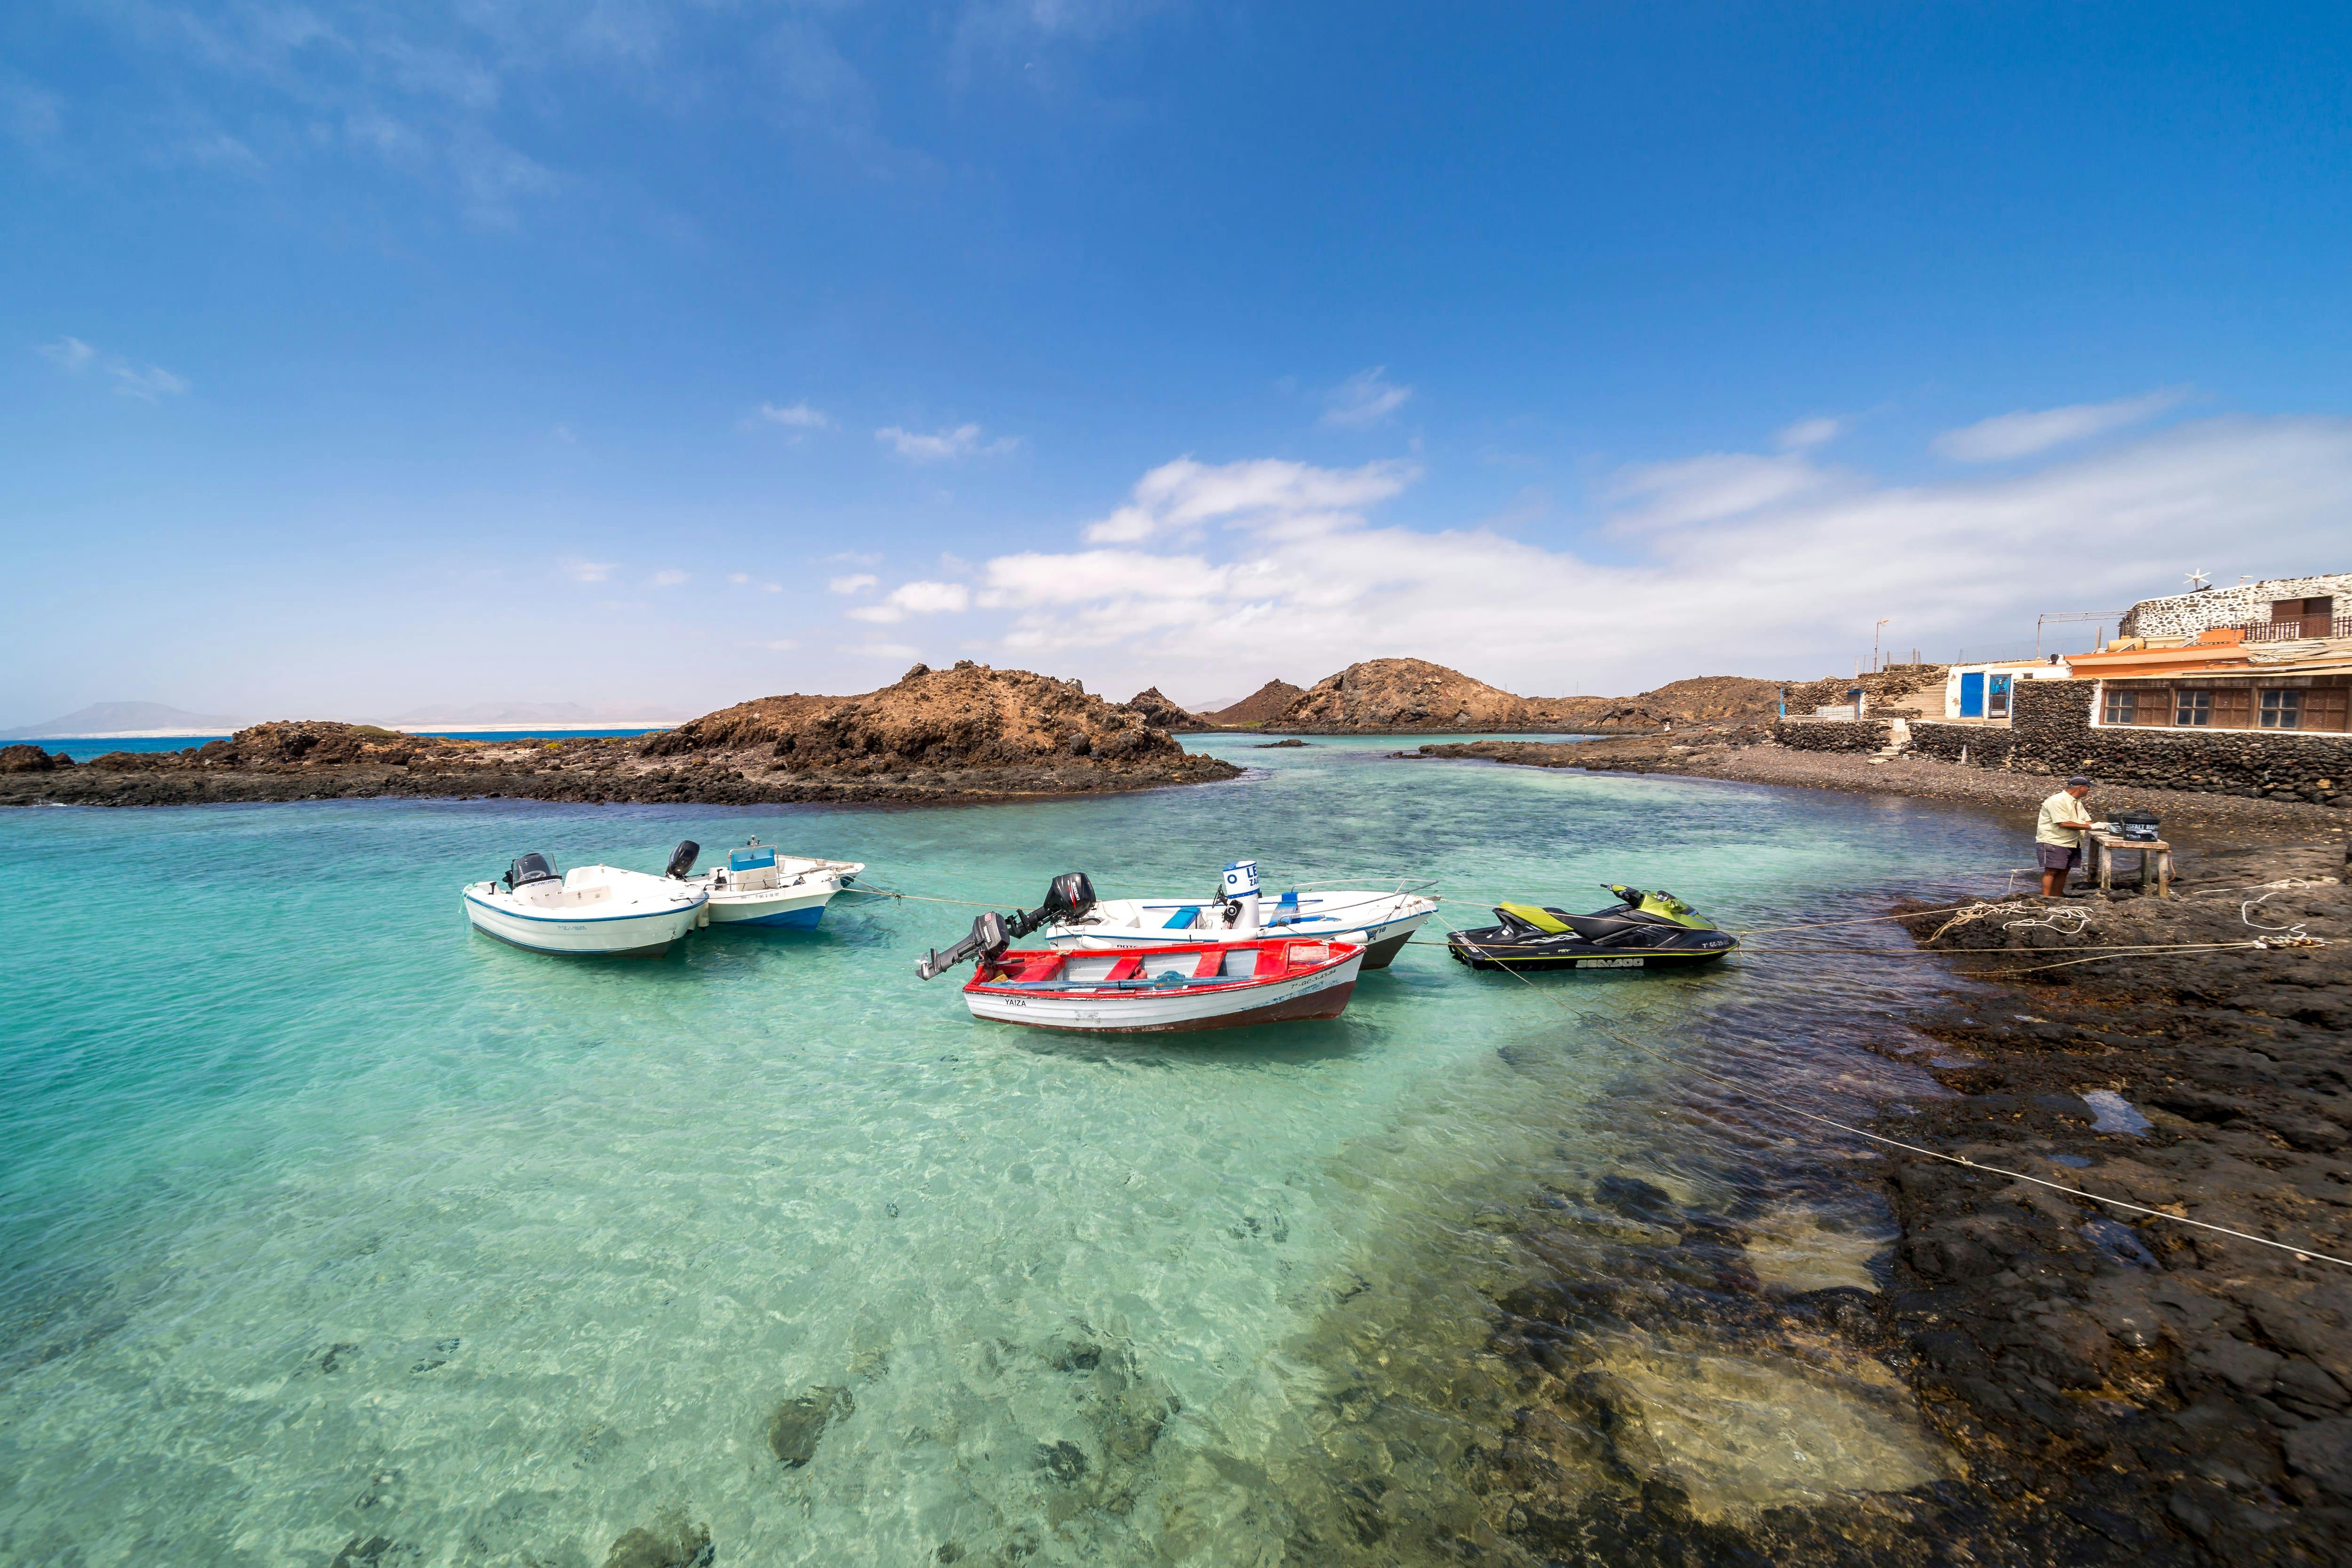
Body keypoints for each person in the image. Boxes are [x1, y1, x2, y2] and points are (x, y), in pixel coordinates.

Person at [2036, 775, 2099, 897]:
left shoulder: (2078, 803)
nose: (2089, 790)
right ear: (2081, 788)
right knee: (2051, 871)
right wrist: (2093, 827)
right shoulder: (2057, 800)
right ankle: (2045, 899)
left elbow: (2086, 822)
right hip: (2054, 841)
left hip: (2073, 842)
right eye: (2088, 787)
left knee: (2065, 871)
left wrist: (2103, 826)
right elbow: (2064, 823)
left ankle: (2058, 896)